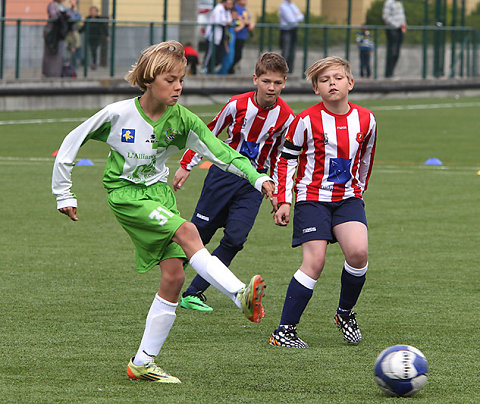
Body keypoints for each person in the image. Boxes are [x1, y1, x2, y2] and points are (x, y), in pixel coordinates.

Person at [52, 41, 273, 383]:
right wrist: (63, 193)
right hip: (126, 195)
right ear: (149, 79)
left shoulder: (182, 120)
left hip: (159, 195)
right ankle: (239, 293)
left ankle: (142, 362)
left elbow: (220, 151)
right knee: (189, 232)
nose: (179, 86)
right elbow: (71, 142)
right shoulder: (117, 114)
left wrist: (258, 178)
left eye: (181, 79)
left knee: (174, 277)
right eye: (171, 79)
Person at [269, 56, 377, 348]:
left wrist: (360, 192)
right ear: (316, 88)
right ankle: (284, 331)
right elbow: (286, 159)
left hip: (348, 199)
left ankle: (344, 313)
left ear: (350, 83)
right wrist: (284, 201)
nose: (332, 83)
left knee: (358, 253)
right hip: (312, 198)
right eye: (325, 80)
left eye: (338, 78)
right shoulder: (305, 120)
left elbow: (366, 159)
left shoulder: (367, 119)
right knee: (314, 262)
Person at [173, 52, 293, 312]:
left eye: (277, 82)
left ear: (284, 83)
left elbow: (282, 158)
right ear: (255, 79)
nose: (271, 87)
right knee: (200, 233)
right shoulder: (237, 105)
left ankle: (193, 293)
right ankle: (170, 274)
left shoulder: (287, 118)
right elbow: (208, 134)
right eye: (266, 81)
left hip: (254, 183)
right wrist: (186, 165)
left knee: (236, 239)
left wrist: (276, 194)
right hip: (223, 176)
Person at [202, 0, 233, 74]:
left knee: (219, 56)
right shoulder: (218, 9)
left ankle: (210, 69)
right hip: (213, 36)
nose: (230, 6)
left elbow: (230, 20)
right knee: (210, 54)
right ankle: (204, 69)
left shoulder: (227, 10)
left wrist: (227, 22)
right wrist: (226, 22)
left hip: (221, 37)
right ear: (224, 2)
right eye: (229, 4)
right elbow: (218, 21)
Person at [42, 0, 70, 77]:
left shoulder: (63, 6)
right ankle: (48, 73)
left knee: (59, 54)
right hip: (52, 32)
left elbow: (71, 15)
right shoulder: (52, 5)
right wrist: (62, 16)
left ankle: (57, 73)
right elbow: (54, 15)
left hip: (59, 32)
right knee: (50, 53)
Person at [228, 0, 255, 74]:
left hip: (243, 35)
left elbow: (248, 20)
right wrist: (243, 22)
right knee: (235, 55)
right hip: (236, 36)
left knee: (238, 55)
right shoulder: (235, 8)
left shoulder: (245, 10)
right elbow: (236, 20)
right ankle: (229, 69)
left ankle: (231, 69)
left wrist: (250, 23)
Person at [382, 0, 407, 78]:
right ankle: (388, 73)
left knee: (397, 52)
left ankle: (392, 72)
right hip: (392, 29)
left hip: (400, 30)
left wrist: (404, 24)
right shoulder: (389, 2)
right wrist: (396, 25)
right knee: (392, 51)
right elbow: (385, 17)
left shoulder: (399, 2)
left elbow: (402, 15)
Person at [80, 5, 109, 70]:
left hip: (97, 37)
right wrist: (78, 32)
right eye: (91, 11)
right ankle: (90, 64)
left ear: (96, 12)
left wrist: (107, 35)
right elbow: (84, 27)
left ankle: (95, 64)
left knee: (96, 51)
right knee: (90, 51)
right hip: (89, 37)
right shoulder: (88, 18)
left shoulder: (99, 19)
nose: (92, 12)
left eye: (94, 11)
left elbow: (104, 28)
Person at [216, 8, 245, 75]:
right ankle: (221, 73)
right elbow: (226, 37)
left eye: (236, 14)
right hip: (228, 46)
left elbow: (241, 23)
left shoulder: (234, 23)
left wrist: (240, 18)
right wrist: (226, 47)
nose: (235, 16)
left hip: (232, 46)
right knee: (226, 61)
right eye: (234, 14)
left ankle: (224, 73)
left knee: (231, 61)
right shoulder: (229, 23)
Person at [278, 0, 304, 74]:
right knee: (285, 52)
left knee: (292, 53)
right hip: (286, 31)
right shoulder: (283, 6)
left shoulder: (293, 5)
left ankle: (290, 72)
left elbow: (301, 17)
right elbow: (291, 20)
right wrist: (296, 16)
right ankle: (282, 72)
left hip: (294, 30)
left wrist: (296, 17)